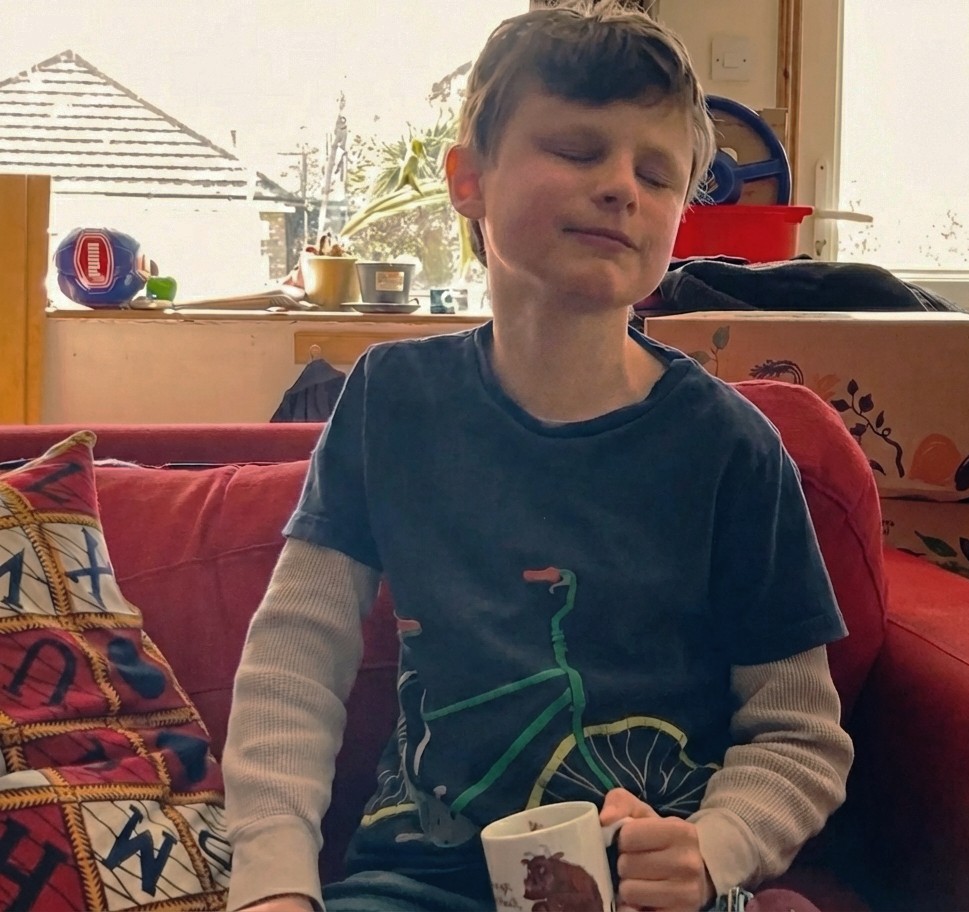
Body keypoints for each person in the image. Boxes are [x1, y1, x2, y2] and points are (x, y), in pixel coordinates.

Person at [222, 3, 854, 911]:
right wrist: (273, 884)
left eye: (657, 173)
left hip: (645, 892)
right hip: (417, 883)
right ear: (468, 180)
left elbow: (799, 736)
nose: (621, 187)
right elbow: (294, 663)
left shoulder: (734, 449)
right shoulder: (390, 400)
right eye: (576, 149)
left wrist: (713, 850)